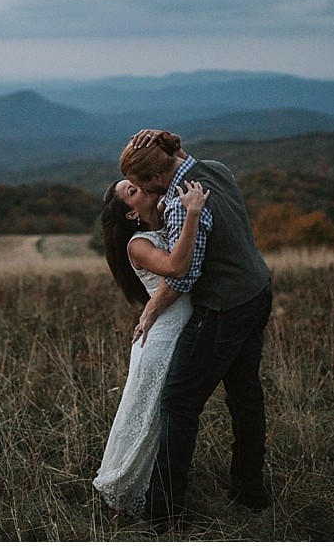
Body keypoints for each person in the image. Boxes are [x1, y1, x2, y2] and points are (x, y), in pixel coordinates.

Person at [121, 129, 273, 530]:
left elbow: (183, 277)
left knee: (179, 403)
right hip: (257, 290)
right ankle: (249, 492)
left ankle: (164, 515)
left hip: (224, 308)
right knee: (245, 394)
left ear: (156, 181)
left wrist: (151, 310)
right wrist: (167, 141)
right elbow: (181, 163)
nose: (137, 191)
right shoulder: (216, 170)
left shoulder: (176, 206)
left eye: (138, 185)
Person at [92, 172, 211, 519]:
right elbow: (177, 268)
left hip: (177, 330)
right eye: (131, 190)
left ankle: (154, 491)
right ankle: (125, 493)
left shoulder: (166, 211)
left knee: (161, 418)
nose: (138, 185)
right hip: (160, 340)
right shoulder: (138, 244)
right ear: (131, 213)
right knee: (145, 418)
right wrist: (192, 213)